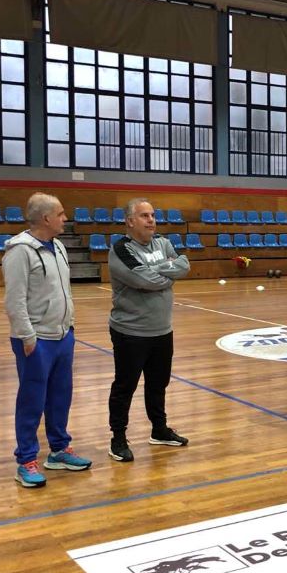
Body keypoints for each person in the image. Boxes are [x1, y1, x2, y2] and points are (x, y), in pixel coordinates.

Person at [3, 193, 91, 488]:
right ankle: (26, 460)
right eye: (61, 213)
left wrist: (70, 326)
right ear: (46, 218)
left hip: (63, 335)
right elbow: (14, 300)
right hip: (36, 340)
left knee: (60, 396)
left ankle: (59, 450)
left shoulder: (59, 246)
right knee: (32, 401)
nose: (65, 218)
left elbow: (63, 290)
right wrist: (28, 337)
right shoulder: (20, 251)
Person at [107, 198, 192, 462]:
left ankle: (159, 429)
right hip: (130, 332)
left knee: (158, 384)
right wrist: (167, 273)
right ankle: (118, 438)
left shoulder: (163, 243)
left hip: (162, 330)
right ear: (130, 221)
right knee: (125, 387)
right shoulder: (120, 249)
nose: (151, 220)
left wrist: (156, 271)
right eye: (144, 216)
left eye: (153, 215)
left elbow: (184, 265)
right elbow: (143, 279)